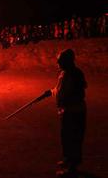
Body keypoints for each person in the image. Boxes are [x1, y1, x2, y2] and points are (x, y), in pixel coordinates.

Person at [45, 49, 87, 178]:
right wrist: (53, 91)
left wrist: (59, 96)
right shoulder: (64, 73)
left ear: (67, 61)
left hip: (74, 112)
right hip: (67, 111)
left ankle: (72, 168)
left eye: (60, 60)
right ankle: (68, 159)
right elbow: (61, 90)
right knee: (65, 137)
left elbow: (70, 92)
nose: (57, 62)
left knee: (72, 138)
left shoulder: (74, 74)